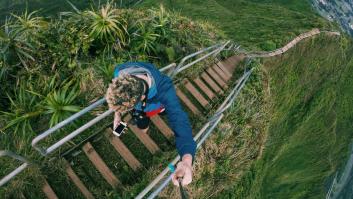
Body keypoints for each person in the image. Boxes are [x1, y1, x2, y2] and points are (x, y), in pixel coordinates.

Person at [105, 62, 196, 187]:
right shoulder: (119, 73)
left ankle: (157, 116)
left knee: (166, 113)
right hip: (140, 112)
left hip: (158, 107)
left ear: (142, 97)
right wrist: (117, 115)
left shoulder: (165, 89)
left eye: (125, 109)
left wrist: (186, 160)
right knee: (143, 127)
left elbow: (179, 120)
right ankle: (145, 129)